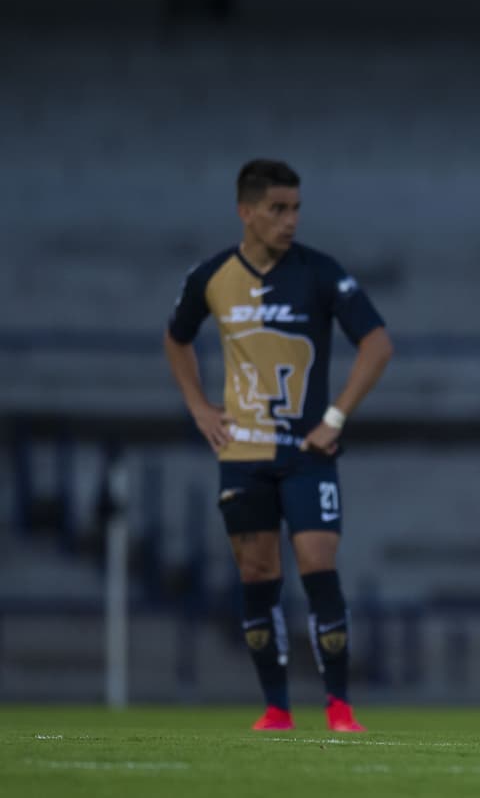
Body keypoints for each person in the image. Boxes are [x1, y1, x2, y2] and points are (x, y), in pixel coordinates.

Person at [164, 159, 393, 731]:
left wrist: (336, 416)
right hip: (242, 455)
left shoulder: (319, 273)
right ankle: (275, 707)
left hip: (307, 455)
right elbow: (177, 339)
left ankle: (339, 707)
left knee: (318, 563)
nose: (289, 221)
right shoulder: (211, 277)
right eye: (277, 210)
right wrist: (198, 407)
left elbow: (377, 343)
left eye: (295, 209)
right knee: (257, 574)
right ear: (246, 211)